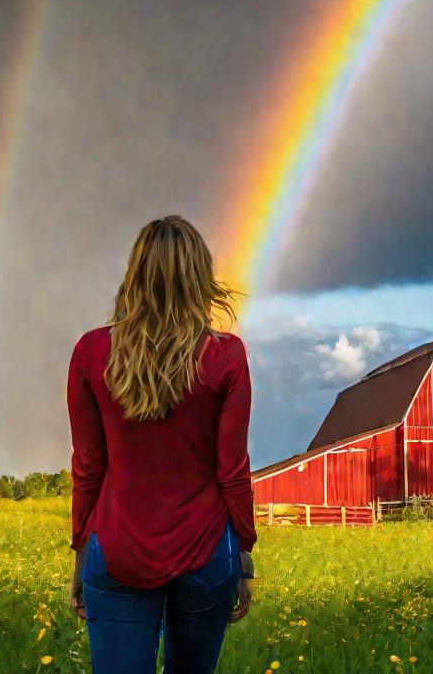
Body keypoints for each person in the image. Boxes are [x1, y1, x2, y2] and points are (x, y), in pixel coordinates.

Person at [66, 215, 256, 674]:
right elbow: (232, 468)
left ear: (136, 275)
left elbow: (89, 466)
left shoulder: (91, 352)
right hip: (208, 552)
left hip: (116, 549)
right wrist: (243, 553)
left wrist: (80, 552)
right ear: (200, 279)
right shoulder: (226, 356)